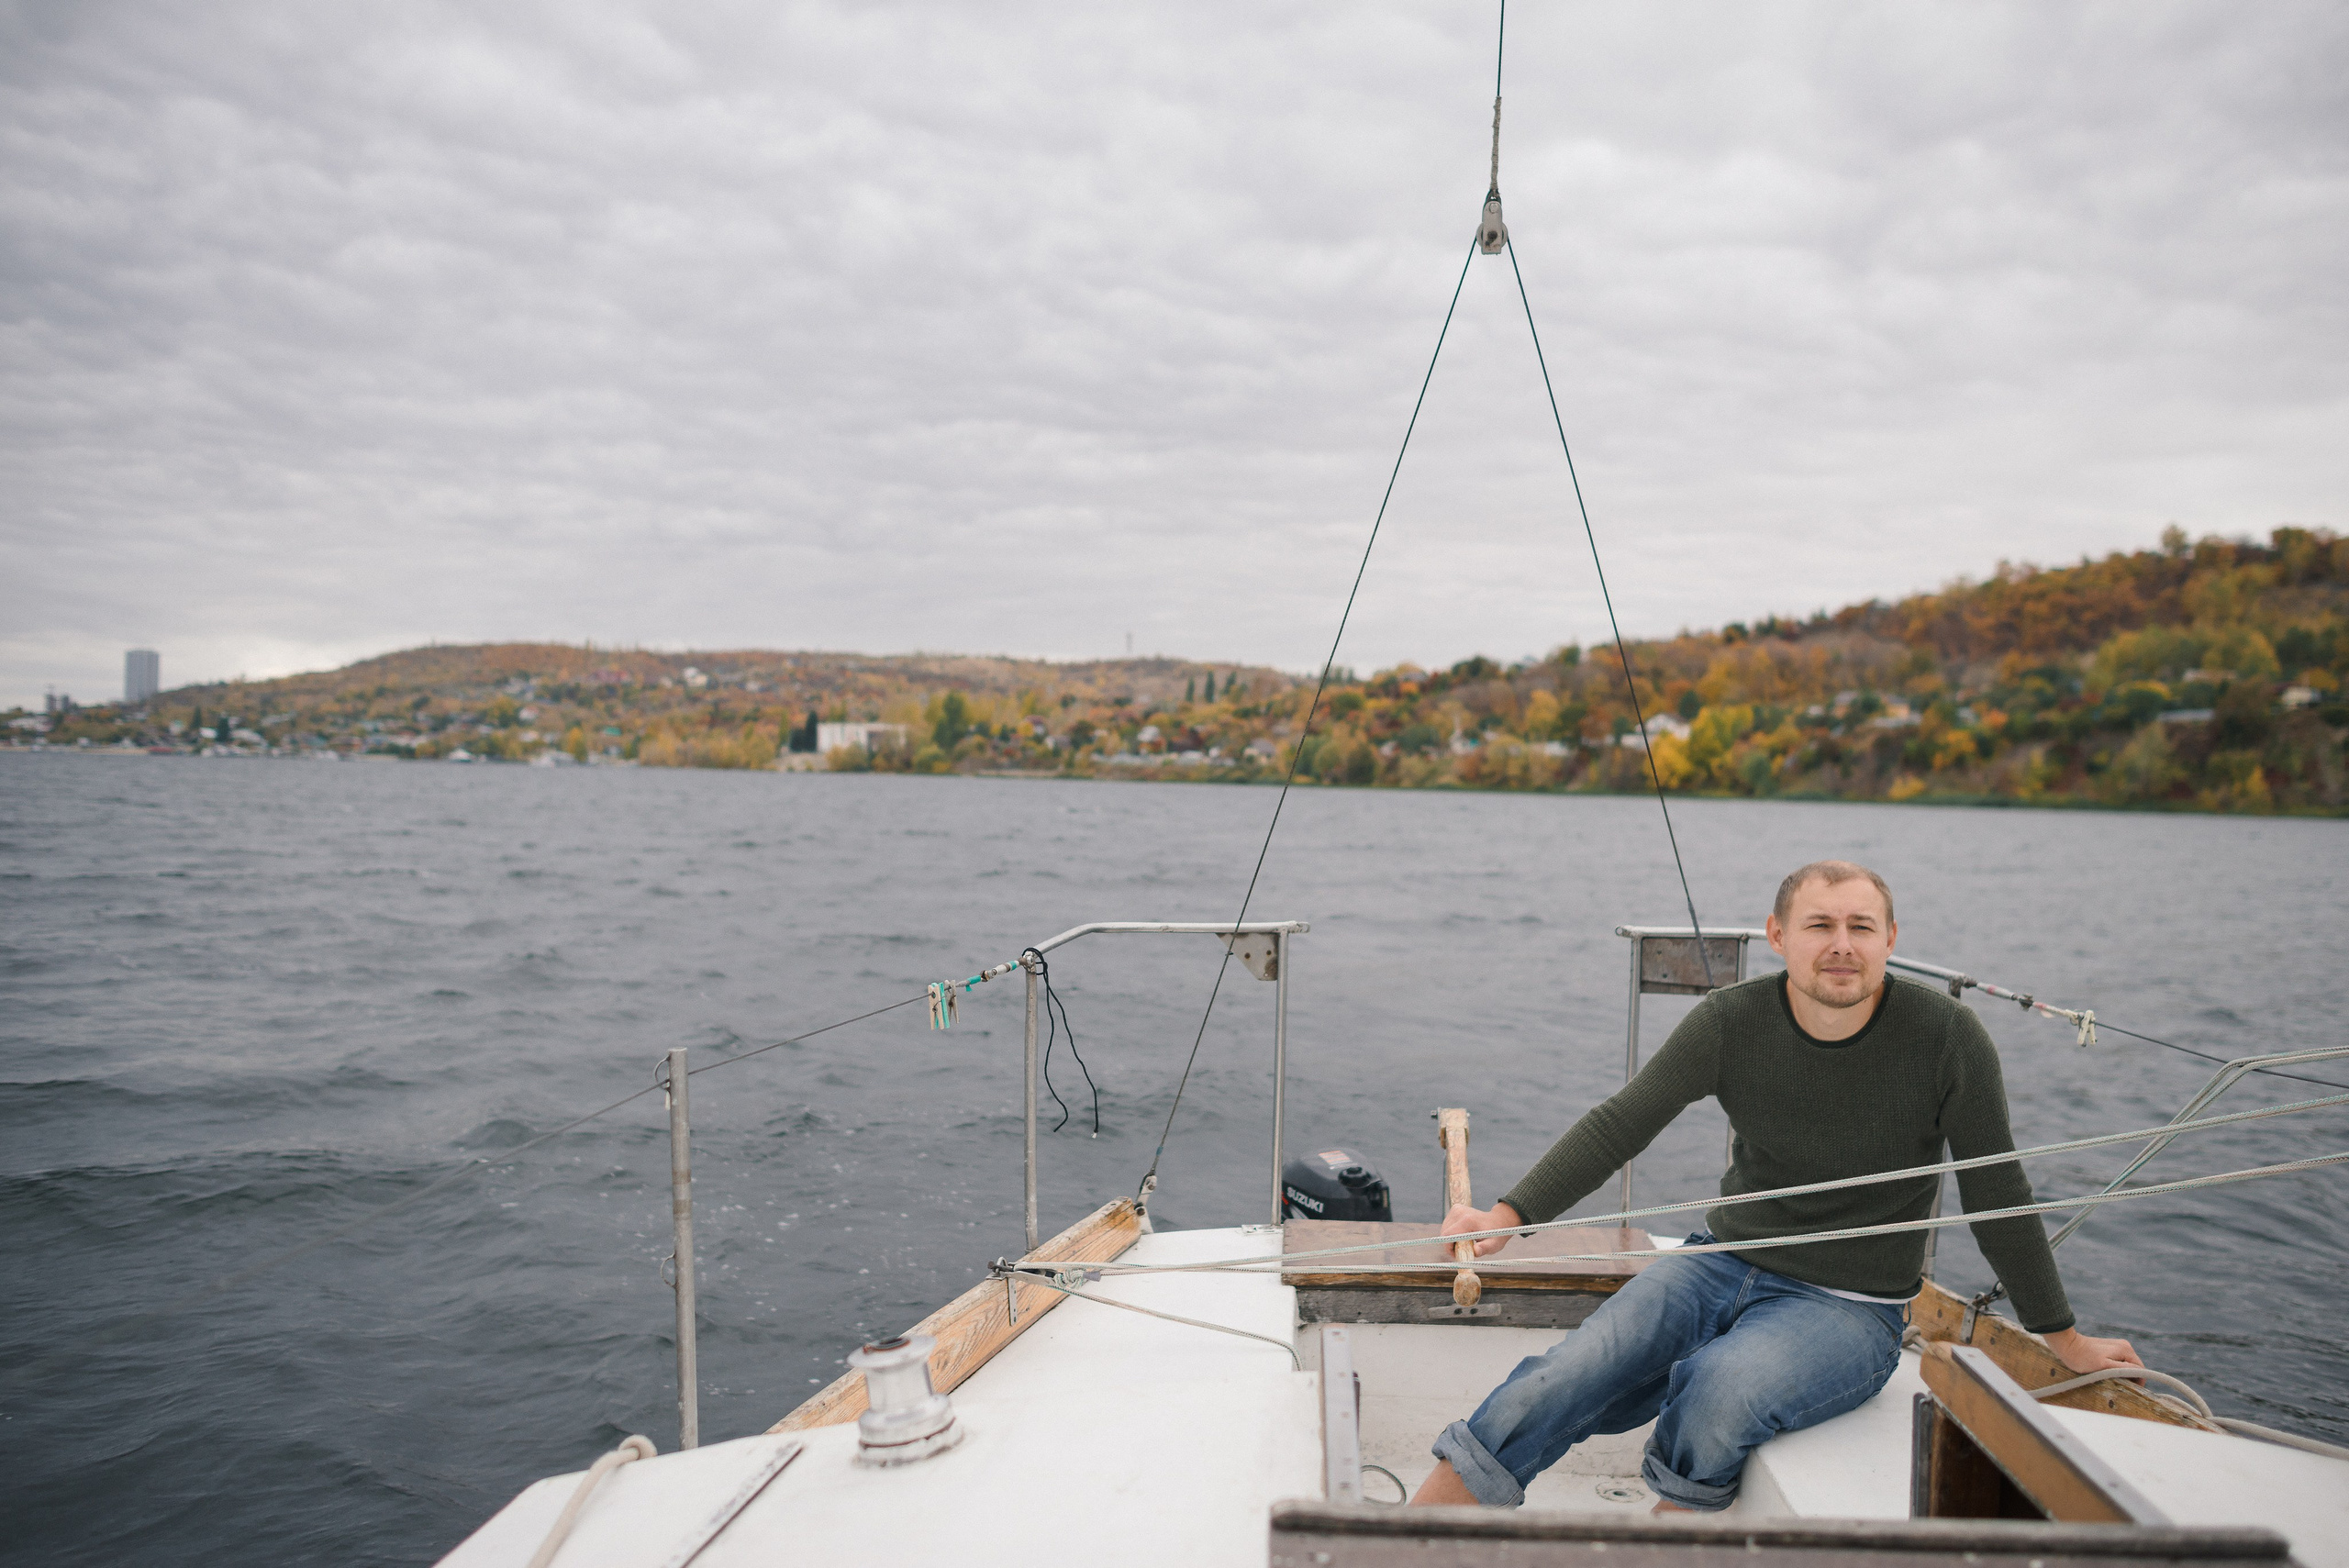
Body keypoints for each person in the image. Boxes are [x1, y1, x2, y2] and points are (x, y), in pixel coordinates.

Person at [1409, 860, 2142, 1512]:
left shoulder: (1947, 1037)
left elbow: (1996, 1189)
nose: (1841, 944)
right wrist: (1508, 1212)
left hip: (1852, 1308)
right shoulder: (1731, 1022)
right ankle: (1415, 1533)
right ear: (1778, 935)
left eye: (1861, 925)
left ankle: (1670, 1527)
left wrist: (2063, 1336)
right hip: (1715, 1263)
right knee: (1567, 1371)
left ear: (1890, 936)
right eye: (1819, 924)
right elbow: (1623, 1121)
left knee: (1721, 1390)